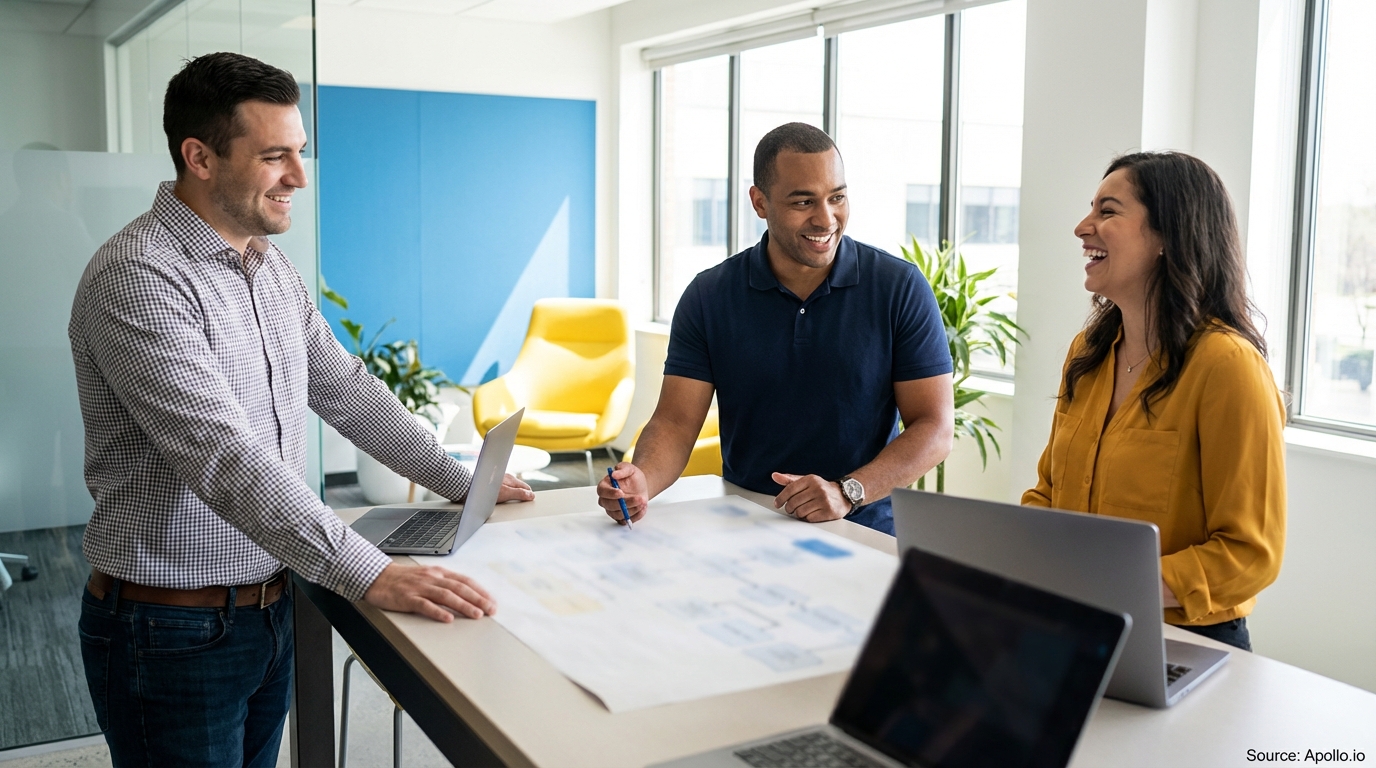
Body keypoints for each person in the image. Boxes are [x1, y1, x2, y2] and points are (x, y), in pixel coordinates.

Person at [68, 52, 532, 767]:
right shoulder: (139, 276)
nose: (300, 177)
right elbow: (223, 456)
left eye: (301, 152)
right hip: (170, 630)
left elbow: (344, 389)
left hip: (272, 603)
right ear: (200, 156)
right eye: (276, 156)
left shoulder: (267, 265)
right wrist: (369, 571)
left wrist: (458, 479)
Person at [598, 122, 954, 535]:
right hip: (744, 527)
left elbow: (934, 426)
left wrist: (847, 491)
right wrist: (643, 480)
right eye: (803, 202)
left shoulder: (899, 288)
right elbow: (676, 423)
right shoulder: (709, 295)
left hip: (864, 528)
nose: (826, 219)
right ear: (759, 202)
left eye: (836, 197)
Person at [1023, 151, 1285, 652]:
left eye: (1108, 211)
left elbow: (1251, 553)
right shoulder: (1088, 354)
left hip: (1185, 640)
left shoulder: (1227, 367)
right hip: (1081, 623)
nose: (1083, 227)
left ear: (1169, 235)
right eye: (1090, 209)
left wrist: (1117, 585)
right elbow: (1049, 492)